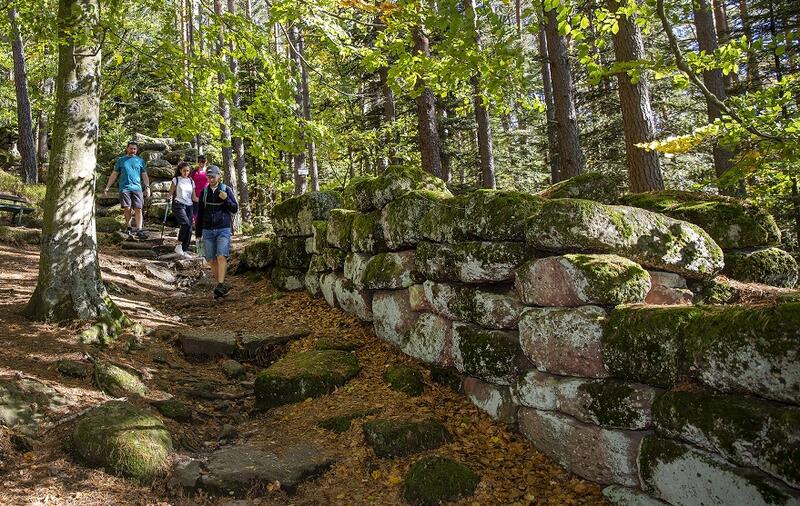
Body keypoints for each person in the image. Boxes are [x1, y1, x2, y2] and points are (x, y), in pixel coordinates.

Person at [196, 165, 238, 298]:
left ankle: (220, 285)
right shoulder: (204, 192)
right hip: (207, 230)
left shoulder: (226, 190)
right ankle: (221, 285)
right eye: (208, 176)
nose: (210, 179)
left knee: (221, 256)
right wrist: (198, 233)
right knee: (210, 259)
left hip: (223, 228)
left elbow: (234, 209)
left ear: (219, 176)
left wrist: (226, 199)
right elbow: (200, 213)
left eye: (213, 176)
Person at [103, 141, 150, 239]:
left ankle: (139, 229)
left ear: (136, 150)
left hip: (137, 188)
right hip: (124, 188)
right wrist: (107, 187)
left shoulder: (140, 161)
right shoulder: (121, 160)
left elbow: (144, 175)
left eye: (134, 149)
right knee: (127, 208)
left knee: (138, 208)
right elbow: (114, 174)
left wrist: (147, 187)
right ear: (127, 148)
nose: (133, 150)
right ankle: (129, 227)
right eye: (131, 148)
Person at [169, 161, 199, 256]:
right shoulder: (176, 179)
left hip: (189, 206)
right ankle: (178, 246)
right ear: (180, 170)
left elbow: (194, 197)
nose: (186, 172)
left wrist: (203, 201)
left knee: (190, 228)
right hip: (178, 204)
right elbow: (170, 192)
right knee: (185, 224)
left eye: (187, 171)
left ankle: (184, 250)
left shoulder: (191, 181)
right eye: (184, 171)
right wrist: (168, 198)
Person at [191, 155, 209, 223]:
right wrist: (194, 196)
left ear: (206, 161)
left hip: (206, 194)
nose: (201, 164)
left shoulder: (208, 171)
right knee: (196, 215)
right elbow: (191, 183)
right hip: (195, 195)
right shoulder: (194, 171)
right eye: (199, 162)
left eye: (203, 162)